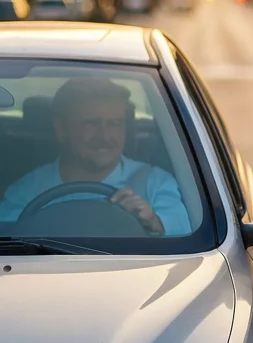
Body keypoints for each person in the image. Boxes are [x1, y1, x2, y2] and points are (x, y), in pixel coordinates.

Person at [0, 77, 191, 236]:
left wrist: (153, 221)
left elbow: (186, 237)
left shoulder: (156, 183)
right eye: (91, 123)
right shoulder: (27, 190)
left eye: (115, 123)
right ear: (61, 129)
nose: (105, 136)